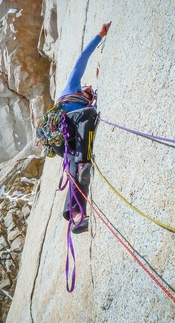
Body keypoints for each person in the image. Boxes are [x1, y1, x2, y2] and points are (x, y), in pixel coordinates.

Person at [51, 22, 111, 233]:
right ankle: (84, 162)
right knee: (88, 115)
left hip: (67, 142)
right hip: (66, 126)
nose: (90, 91)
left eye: (91, 92)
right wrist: (99, 36)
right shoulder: (72, 87)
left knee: (76, 171)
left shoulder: (86, 102)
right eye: (90, 89)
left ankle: (76, 216)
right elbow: (81, 60)